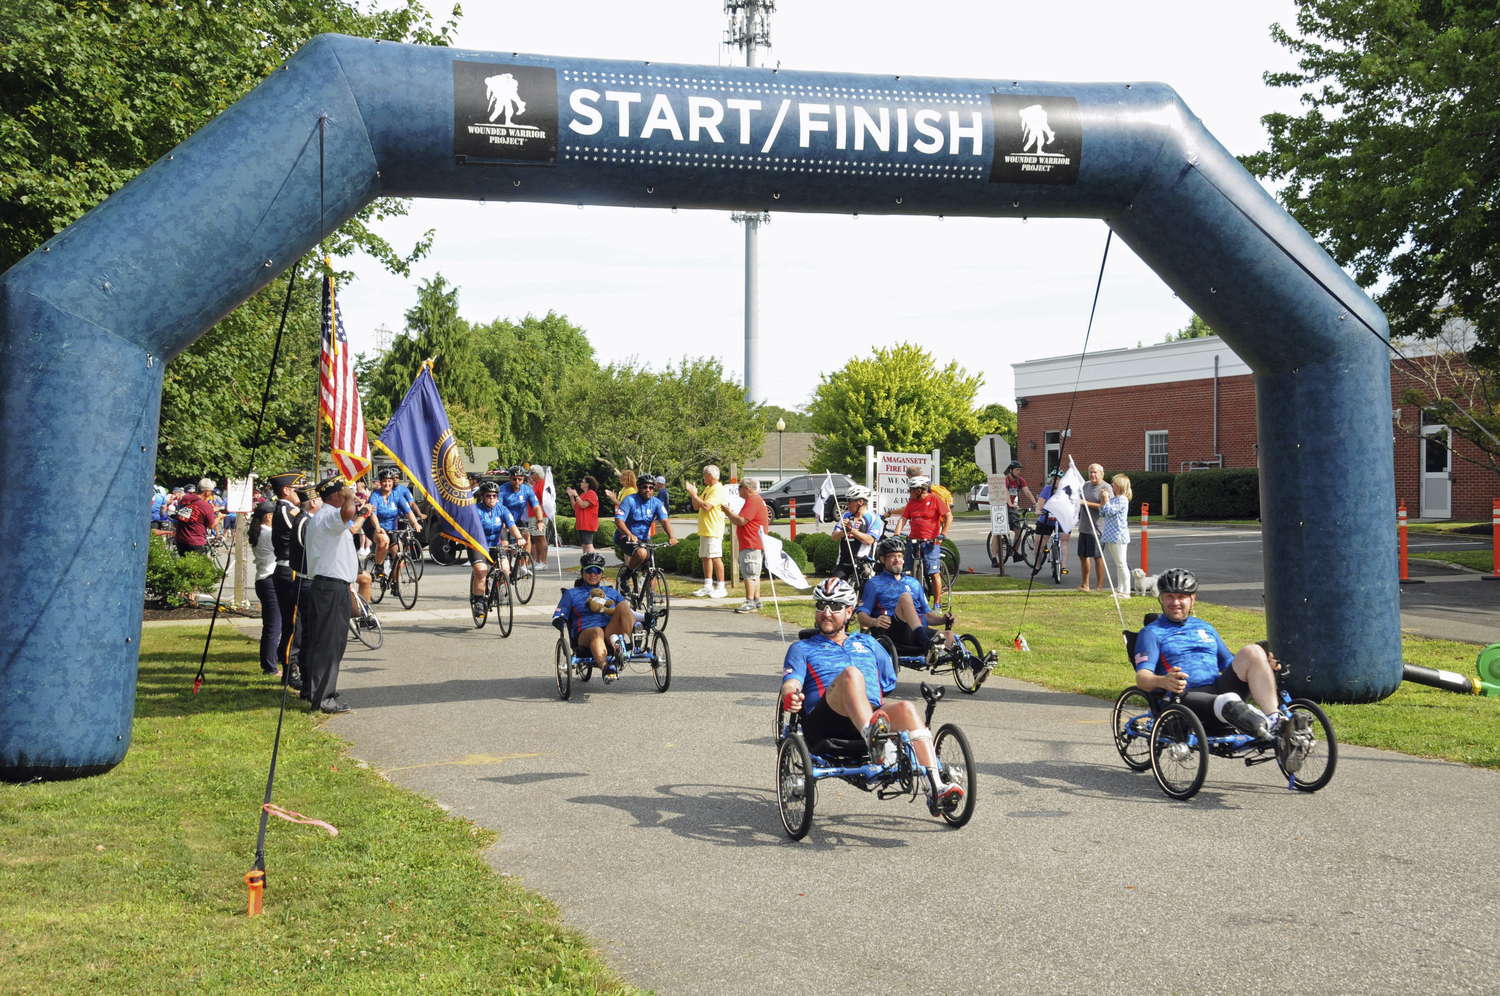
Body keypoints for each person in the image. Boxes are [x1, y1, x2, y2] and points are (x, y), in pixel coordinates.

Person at [779, 578, 964, 813]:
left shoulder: (869, 643)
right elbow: (791, 683)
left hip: (871, 716)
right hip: (826, 722)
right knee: (851, 675)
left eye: (835, 607)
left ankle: (936, 787)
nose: (826, 613)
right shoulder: (802, 648)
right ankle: (874, 741)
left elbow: (887, 684)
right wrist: (791, 696)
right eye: (821, 606)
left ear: (848, 612)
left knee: (907, 708)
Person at [1133, 568, 1287, 742]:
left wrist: (1262, 665)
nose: (1175, 602)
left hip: (1218, 689)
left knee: (1253, 651)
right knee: (1228, 700)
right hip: (1184, 696)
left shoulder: (1205, 627)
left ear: (1192, 599)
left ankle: (1275, 720)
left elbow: (1231, 663)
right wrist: (1163, 681)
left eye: (1181, 597)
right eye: (1169, 596)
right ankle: (1266, 729)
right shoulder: (1152, 633)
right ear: (1161, 598)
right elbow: (1142, 679)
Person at [300, 477, 373, 714]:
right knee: (329, 645)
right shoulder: (329, 515)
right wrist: (351, 497)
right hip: (330, 588)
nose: (348, 494)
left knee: (322, 642)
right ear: (336, 495)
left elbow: (350, 521)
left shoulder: (324, 516)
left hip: (331, 586)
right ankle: (324, 698)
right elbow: (347, 515)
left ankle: (315, 692)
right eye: (344, 491)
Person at [857, 536, 955, 652]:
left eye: (899, 556)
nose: (897, 560)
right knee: (905, 598)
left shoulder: (914, 583)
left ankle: (977, 665)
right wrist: (874, 622)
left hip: (916, 632)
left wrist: (943, 620)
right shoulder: (874, 583)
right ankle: (927, 643)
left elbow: (926, 615)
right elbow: (861, 616)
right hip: (891, 632)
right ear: (882, 559)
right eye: (892, 556)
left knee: (949, 635)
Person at [552, 552, 639, 681]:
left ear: (602, 573)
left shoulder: (612, 592)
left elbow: (628, 613)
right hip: (586, 633)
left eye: (597, 570)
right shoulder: (571, 593)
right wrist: (558, 619)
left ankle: (635, 643)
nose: (593, 574)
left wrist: (645, 618)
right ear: (582, 572)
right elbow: (559, 612)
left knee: (623, 606)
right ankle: (606, 669)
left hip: (611, 631)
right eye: (589, 570)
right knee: (597, 631)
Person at [268, 472, 309, 690]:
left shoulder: (288, 509)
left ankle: (293, 665)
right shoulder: (286, 510)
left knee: (298, 623)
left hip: (290, 569)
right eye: (297, 488)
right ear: (286, 490)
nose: (300, 492)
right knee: (293, 624)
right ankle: (289, 667)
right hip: (289, 570)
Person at [470, 481, 525, 619]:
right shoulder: (475, 510)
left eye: (494, 496)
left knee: (506, 569)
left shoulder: (502, 509)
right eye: (488, 496)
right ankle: (478, 602)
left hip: (495, 545)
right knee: (481, 571)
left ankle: (496, 591)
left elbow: (511, 525)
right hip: (478, 546)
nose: (492, 498)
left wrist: (519, 537)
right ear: (482, 497)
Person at [895, 475, 952, 605]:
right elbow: (903, 519)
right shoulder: (912, 502)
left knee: (933, 572)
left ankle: (937, 604)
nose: (909, 492)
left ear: (919, 490)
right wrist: (897, 534)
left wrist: (942, 534)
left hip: (931, 541)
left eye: (911, 489)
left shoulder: (934, 500)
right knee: (908, 571)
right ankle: (910, 601)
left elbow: (948, 516)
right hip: (914, 539)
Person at [614, 476, 677, 578]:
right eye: (645, 487)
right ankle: (625, 577)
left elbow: (665, 521)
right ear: (638, 487)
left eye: (651, 488)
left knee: (650, 568)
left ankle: (649, 591)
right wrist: (629, 534)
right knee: (641, 553)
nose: (648, 490)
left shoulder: (656, 502)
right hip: (625, 537)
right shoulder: (629, 500)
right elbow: (618, 520)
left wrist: (672, 537)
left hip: (644, 539)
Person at [721, 476, 769, 613]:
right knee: (754, 573)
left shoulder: (753, 501)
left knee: (750, 573)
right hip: (755, 542)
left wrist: (728, 512)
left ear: (747, 488)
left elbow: (742, 521)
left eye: (739, 487)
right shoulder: (756, 500)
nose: (738, 490)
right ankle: (756, 599)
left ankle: (749, 602)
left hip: (751, 542)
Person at [684, 465, 729, 598]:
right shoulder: (708, 488)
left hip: (714, 529)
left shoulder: (718, 489)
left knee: (715, 557)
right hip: (705, 529)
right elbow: (697, 506)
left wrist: (693, 494)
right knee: (705, 557)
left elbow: (706, 506)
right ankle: (708, 586)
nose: (703, 477)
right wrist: (695, 495)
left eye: (704, 474)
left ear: (710, 475)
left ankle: (721, 587)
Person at [248, 501, 281, 677]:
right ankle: (269, 667)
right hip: (270, 580)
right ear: (269, 517)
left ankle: (272, 661)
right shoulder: (268, 533)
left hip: (263, 579)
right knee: (273, 626)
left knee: (272, 624)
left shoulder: (258, 532)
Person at [831, 484, 882, 584]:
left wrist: (852, 530)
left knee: (863, 596)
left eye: (850, 500)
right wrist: (844, 531)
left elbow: (869, 540)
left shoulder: (874, 518)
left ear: (861, 502)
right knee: (835, 590)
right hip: (843, 562)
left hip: (863, 563)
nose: (847, 503)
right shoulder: (846, 516)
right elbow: (833, 537)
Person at [991, 461, 1036, 571]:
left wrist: (1035, 504)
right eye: (1017, 470)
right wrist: (1010, 504)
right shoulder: (1005, 480)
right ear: (1011, 470)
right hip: (1001, 507)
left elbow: (1027, 492)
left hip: (1012, 508)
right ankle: (994, 557)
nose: (1019, 472)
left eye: (1020, 470)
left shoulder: (1020, 480)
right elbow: (1005, 491)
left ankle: (1015, 552)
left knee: (1018, 531)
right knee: (998, 532)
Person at [498, 466, 540, 575]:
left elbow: (536, 506)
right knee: (505, 545)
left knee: (527, 535)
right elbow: (498, 508)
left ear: (523, 479)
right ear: (510, 478)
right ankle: (504, 569)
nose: (517, 481)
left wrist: (539, 520)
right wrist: (502, 522)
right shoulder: (502, 490)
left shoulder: (527, 490)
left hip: (517, 519)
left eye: (520, 479)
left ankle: (523, 567)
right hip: (504, 521)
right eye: (514, 479)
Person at [1077, 463, 1109, 592]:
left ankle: (1099, 586)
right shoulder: (1085, 485)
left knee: (1097, 556)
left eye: (1095, 472)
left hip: (1098, 528)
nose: (1093, 475)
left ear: (1102, 474)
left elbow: (1106, 507)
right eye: (1091, 472)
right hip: (1084, 527)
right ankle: (1085, 585)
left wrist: (1087, 503)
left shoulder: (1106, 487)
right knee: (1083, 556)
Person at [1099, 474, 1133, 597]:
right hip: (1110, 534)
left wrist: (1106, 500)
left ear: (1120, 486)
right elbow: (1102, 512)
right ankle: (1120, 589)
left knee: (1122, 563)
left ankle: (1127, 591)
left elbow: (1110, 511)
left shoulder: (1122, 499)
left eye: (1114, 483)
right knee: (1118, 564)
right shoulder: (1114, 499)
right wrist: (1104, 500)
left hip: (1119, 535)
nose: (1112, 485)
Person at [1033, 469, 1069, 577]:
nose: (1055, 481)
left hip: (1062, 519)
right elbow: (1041, 501)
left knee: (1064, 541)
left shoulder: (1066, 490)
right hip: (1047, 519)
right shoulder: (1047, 489)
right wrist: (1038, 510)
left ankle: (1063, 566)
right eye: (1053, 479)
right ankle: (1038, 564)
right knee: (1039, 543)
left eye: (1057, 479)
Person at [173, 478, 220, 556]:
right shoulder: (206, 506)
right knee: (196, 567)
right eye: (211, 491)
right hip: (196, 542)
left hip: (181, 540)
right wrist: (219, 517)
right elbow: (211, 525)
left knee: (182, 565)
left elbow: (197, 509)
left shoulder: (186, 498)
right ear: (207, 491)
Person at [566, 475, 601, 554]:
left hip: (588, 523)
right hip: (581, 523)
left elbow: (583, 505)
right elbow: (575, 507)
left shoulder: (591, 493)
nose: (581, 483)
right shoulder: (582, 494)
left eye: (582, 482)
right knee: (584, 545)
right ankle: (586, 562)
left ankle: (592, 560)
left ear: (587, 484)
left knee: (588, 544)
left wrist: (576, 495)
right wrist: (572, 497)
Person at [528, 467, 551, 571]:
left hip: (539, 515)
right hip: (533, 514)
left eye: (532, 473)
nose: (530, 475)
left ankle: (543, 562)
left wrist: (539, 517)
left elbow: (544, 501)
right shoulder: (537, 484)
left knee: (541, 537)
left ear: (537, 474)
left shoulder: (543, 484)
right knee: (536, 538)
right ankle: (537, 561)